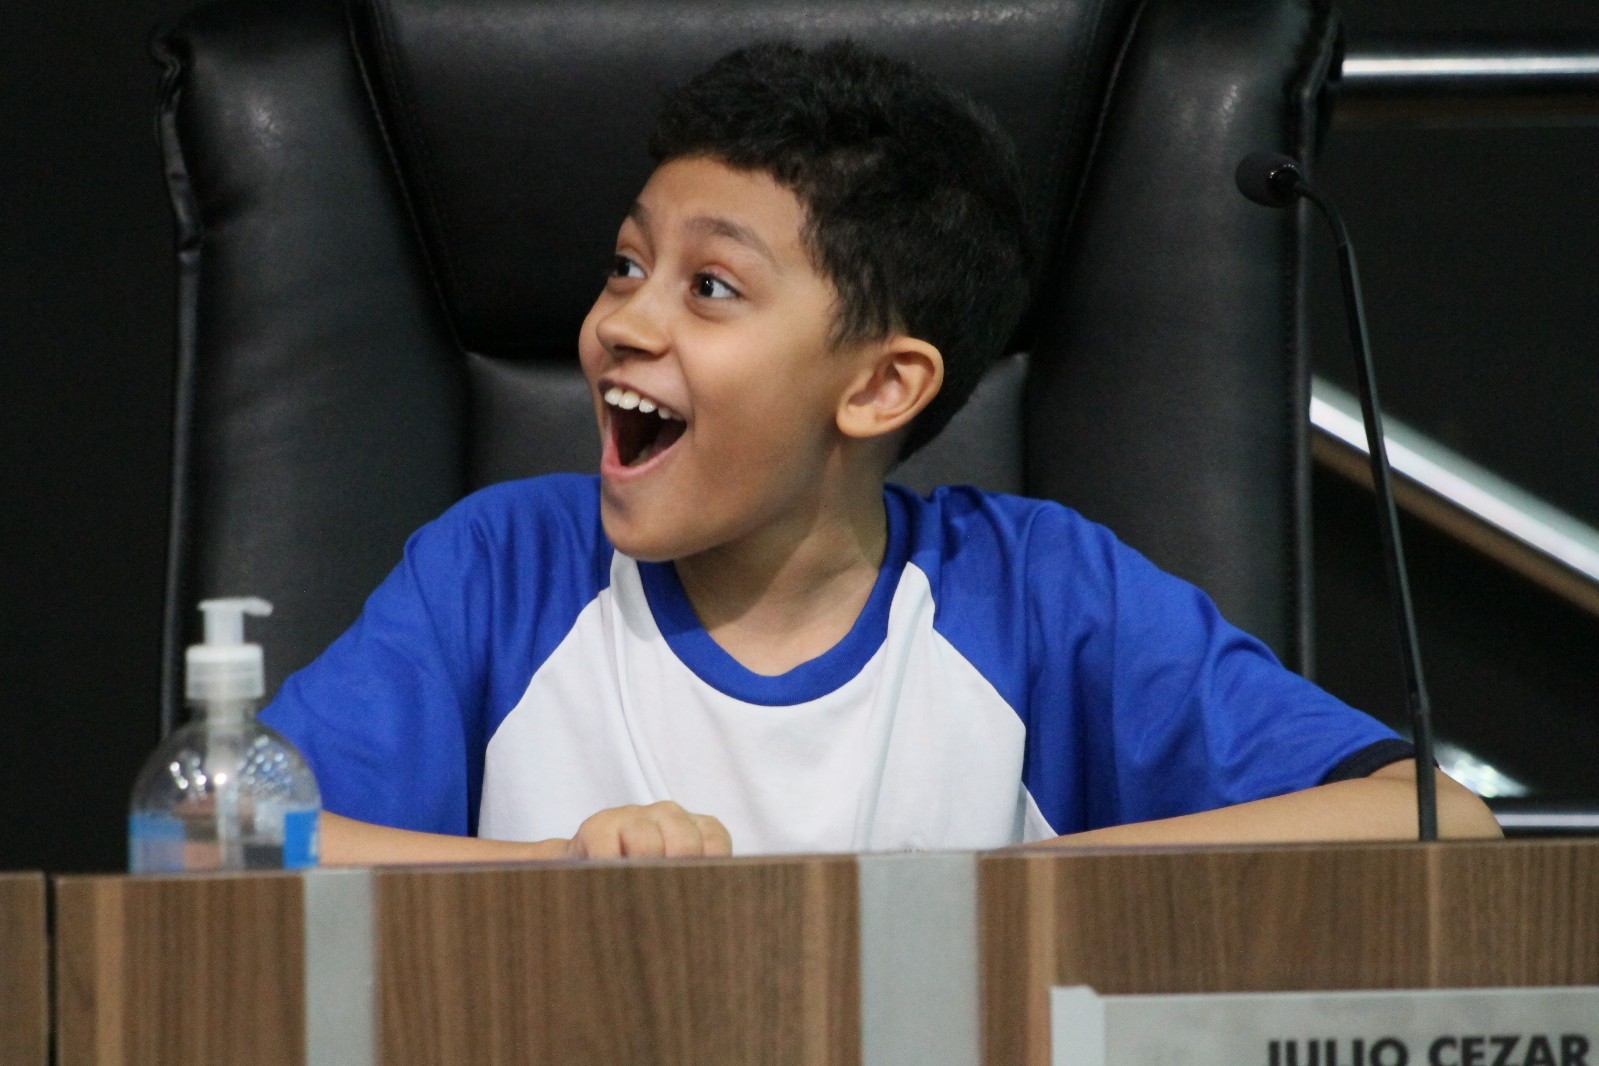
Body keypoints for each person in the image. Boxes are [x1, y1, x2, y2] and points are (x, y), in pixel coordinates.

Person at [260, 41, 1500, 865]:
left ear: (879, 386)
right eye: (628, 264)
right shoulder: (504, 569)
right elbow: (219, 840)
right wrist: (552, 870)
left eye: (709, 286)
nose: (622, 322)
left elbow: (1437, 823)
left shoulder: (1040, 595)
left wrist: (999, 886)